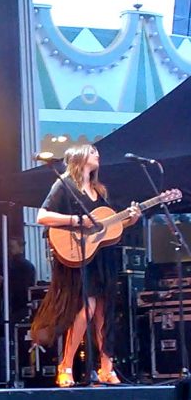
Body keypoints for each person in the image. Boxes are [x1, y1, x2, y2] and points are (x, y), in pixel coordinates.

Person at [29, 144, 140, 387]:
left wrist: (129, 221)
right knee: (87, 307)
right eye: (92, 152)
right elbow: (42, 216)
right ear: (79, 158)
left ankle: (106, 368)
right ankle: (65, 365)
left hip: (102, 257)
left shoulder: (100, 192)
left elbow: (106, 230)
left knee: (105, 311)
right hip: (78, 257)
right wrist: (77, 219)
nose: (98, 154)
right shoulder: (65, 184)